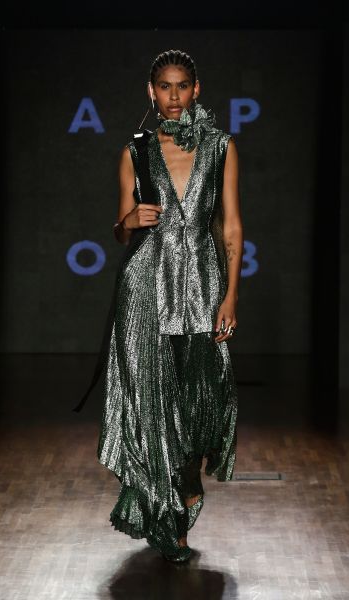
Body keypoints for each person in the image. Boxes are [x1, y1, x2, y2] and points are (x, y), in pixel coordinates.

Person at [97, 49, 244, 563]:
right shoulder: (134, 152)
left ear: (196, 89)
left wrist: (230, 295)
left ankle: (187, 484)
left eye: (183, 85)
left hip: (202, 287)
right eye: (165, 86)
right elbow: (121, 229)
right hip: (146, 289)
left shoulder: (221, 147)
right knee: (154, 404)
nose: (174, 95)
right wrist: (128, 221)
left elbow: (230, 225)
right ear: (151, 92)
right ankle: (172, 520)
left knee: (203, 397)